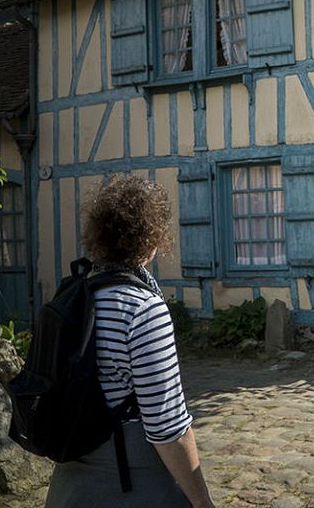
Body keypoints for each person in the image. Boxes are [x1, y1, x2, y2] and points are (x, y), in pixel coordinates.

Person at [45, 174, 215, 508]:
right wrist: (201, 500)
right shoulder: (142, 308)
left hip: (71, 480)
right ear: (152, 239)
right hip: (128, 479)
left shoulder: (73, 297)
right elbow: (167, 424)